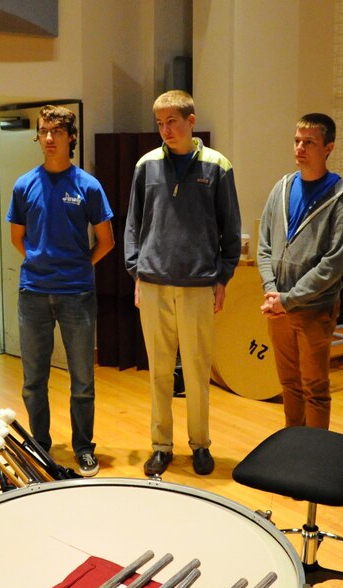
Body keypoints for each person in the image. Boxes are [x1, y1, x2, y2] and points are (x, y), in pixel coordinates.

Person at [124, 90, 241, 477]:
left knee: (195, 369)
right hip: (153, 283)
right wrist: (136, 271)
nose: (165, 129)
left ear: (192, 121)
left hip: (198, 285)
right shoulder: (147, 165)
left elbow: (230, 226)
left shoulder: (217, 165)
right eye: (159, 123)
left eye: (172, 121)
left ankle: (200, 444)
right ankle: (161, 445)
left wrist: (222, 277)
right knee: (158, 370)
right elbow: (133, 224)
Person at [6, 105, 115, 477]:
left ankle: (84, 447)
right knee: (34, 380)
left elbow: (106, 240)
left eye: (56, 131)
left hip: (77, 295)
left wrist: (79, 265)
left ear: (71, 137)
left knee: (82, 379)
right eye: (43, 131)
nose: (48, 138)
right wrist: (42, 260)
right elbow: (17, 238)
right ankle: (39, 447)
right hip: (33, 293)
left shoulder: (88, 185)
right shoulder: (24, 185)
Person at [258, 113, 343, 429]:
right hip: (279, 307)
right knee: (288, 385)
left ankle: (315, 459)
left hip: (314, 308)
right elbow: (265, 245)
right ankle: (292, 449)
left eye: (309, 142)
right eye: (297, 141)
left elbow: (335, 263)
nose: (300, 148)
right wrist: (273, 291)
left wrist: (289, 298)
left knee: (315, 388)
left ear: (328, 147)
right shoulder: (283, 187)